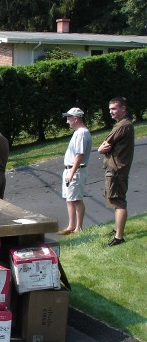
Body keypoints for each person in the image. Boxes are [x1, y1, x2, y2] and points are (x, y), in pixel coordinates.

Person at [98, 96, 135, 247]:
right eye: (109, 109)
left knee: (119, 201)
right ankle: (117, 229)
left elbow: (105, 145)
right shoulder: (125, 124)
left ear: (123, 109)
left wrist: (101, 149)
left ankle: (119, 238)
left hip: (117, 170)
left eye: (114, 109)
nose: (111, 112)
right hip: (117, 169)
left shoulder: (122, 126)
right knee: (116, 200)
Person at [56, 108, 92, 235]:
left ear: (75, 118)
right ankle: (71, 227)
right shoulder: (78, 132)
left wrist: (71, 173)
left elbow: (79, 155)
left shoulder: (82, 133)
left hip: (76, 171)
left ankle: (78, 228)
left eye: (69, 118)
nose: (67, 121)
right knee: (69, 198)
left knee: (76, 199)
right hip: (70, 170)